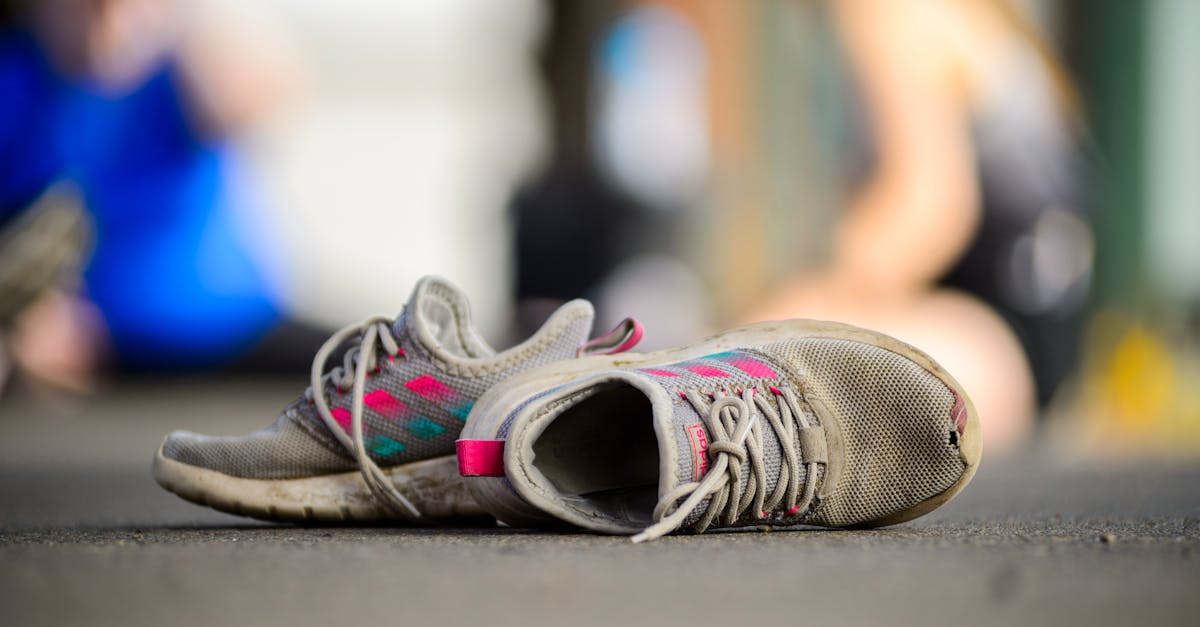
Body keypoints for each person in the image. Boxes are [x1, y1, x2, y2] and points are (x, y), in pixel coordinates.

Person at [748, 0, 1093, 454]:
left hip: (986, 339)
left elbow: (927, 210)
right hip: (1020, 350)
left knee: (750, 360)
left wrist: (805, 297)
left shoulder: (888, 12)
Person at [0, 0, 305, 391]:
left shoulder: (179, 62)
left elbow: (254, 95)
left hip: (239, 338)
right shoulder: (16, 78)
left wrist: (161, 28)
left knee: (371, 382)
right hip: (104, 361)